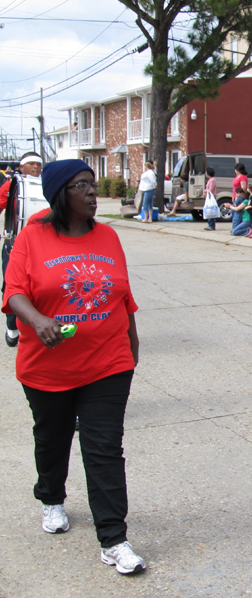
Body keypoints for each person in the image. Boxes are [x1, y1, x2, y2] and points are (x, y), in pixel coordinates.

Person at [1, 159, 145, 575]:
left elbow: (121, 294)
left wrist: (131, 348)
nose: (91, 192)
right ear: (61, 193)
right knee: (52, 437)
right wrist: (38, 320)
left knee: (104, 449)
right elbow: (13, 294)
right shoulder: (32, 239)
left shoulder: (109, 236)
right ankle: (51, 497)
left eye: (92, 184)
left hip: (108, 362)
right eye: (81, 185)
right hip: (47, 367)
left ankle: (114, 539)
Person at [1, 151, 43, 348]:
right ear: (22, 167)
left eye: (39, 164)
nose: (35, 168)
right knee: (12, 287)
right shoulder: (12, 186)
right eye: (31, 164)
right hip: (15, 244)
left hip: (42, 245)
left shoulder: (48, 185)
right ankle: (12, 327)